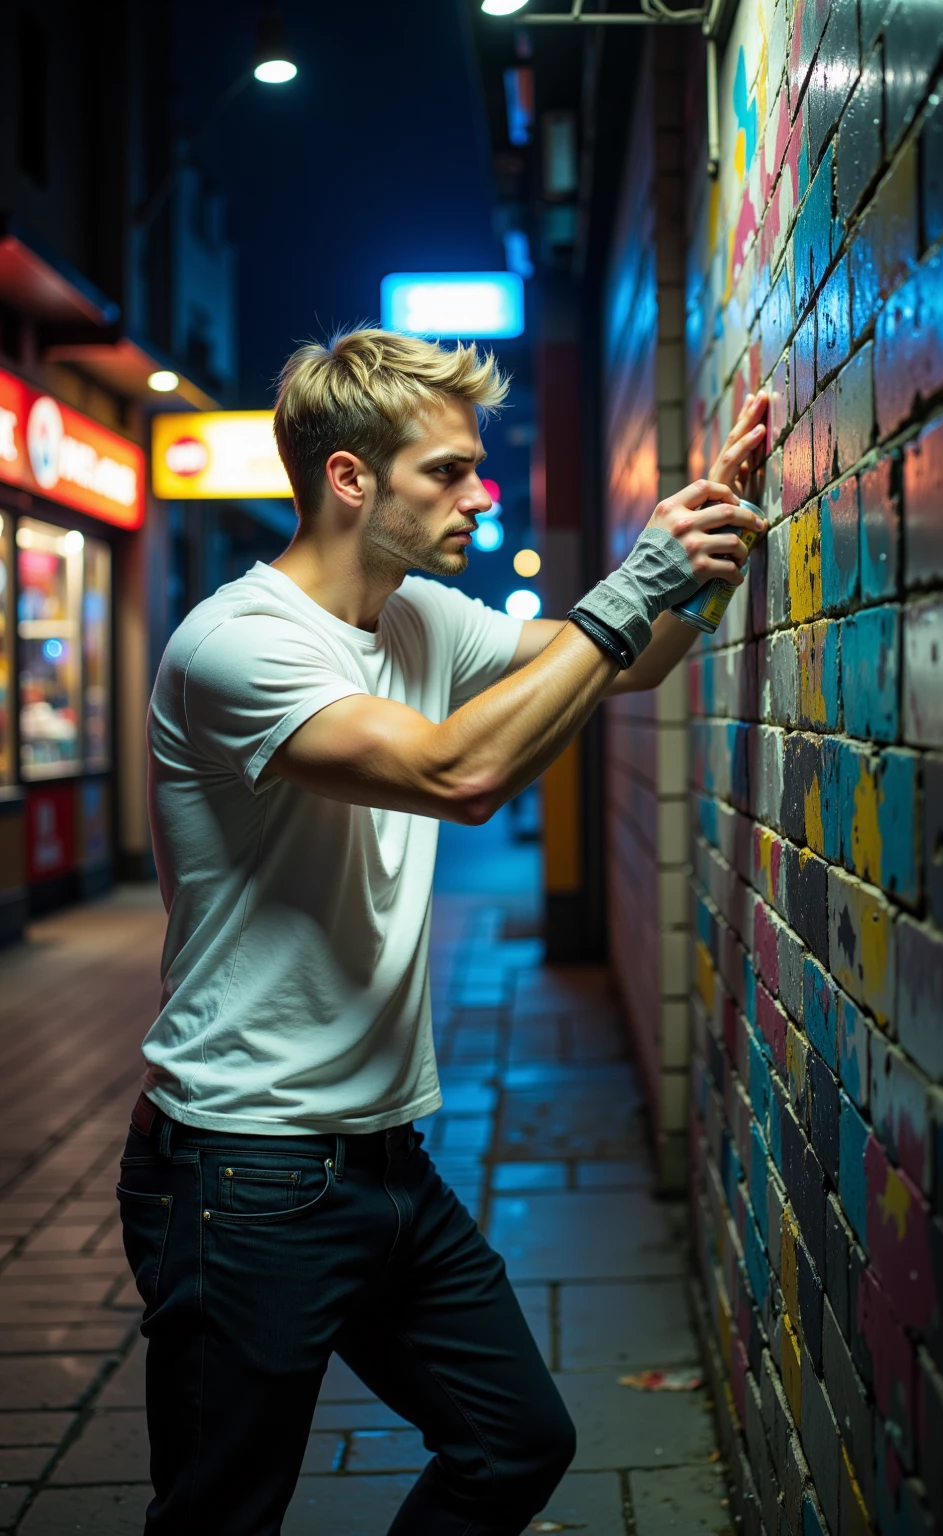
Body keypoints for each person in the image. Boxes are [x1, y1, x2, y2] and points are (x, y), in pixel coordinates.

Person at [120, 327, 767, 1536]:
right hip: (243, 1168)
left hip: (382, 1159)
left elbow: (614, 669)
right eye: (449, 471)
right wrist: (633, 585)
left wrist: (709, 549)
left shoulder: (417, 615)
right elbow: (458, 772)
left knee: (515, 1443)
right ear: (348, 477)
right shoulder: (236, 644)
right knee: (219, 1514)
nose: (483, 492)